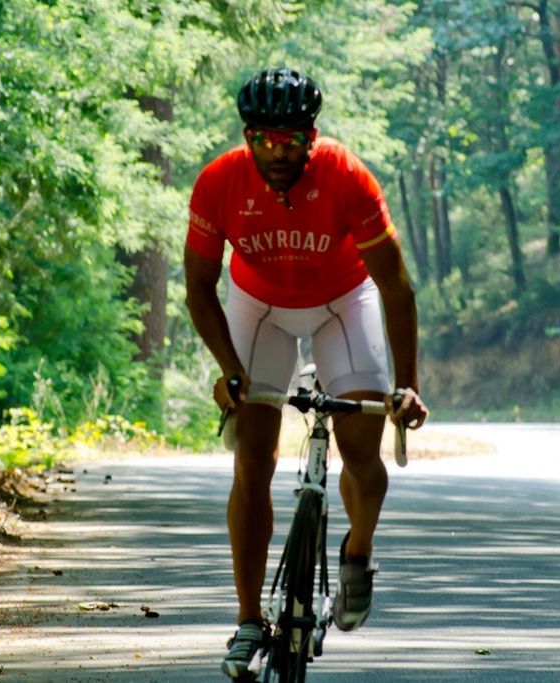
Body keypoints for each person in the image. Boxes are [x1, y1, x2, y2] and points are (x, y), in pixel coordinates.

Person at [183, 67, 429, 680]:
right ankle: (246, 621)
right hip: (257, 306)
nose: (277, 152)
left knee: (363, 450)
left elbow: (395, 287)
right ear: (247, 136)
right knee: (252, 460)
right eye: (263, 140)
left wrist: (407, 385)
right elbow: (197, 287)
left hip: (342, 303)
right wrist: (230, 371)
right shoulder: (219, 182)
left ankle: (358, 552)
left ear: (311, 137)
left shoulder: (347, 177)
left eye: (291, 140)